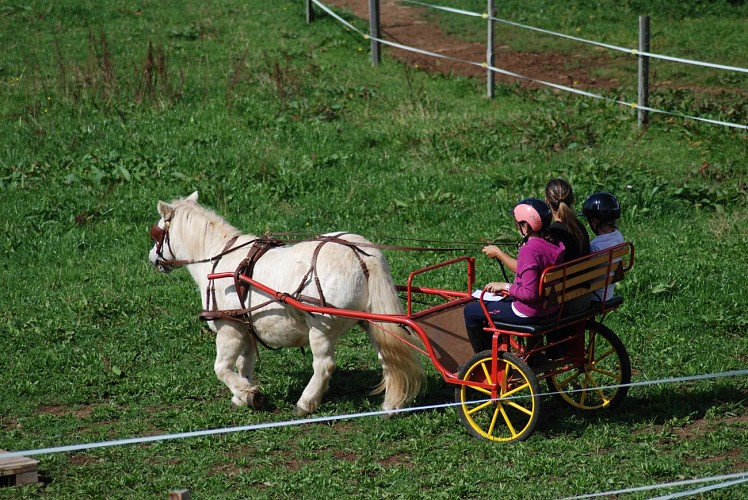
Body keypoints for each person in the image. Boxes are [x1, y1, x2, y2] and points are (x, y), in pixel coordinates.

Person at [464, 198, 565, 353]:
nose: (517, 227)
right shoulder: (555, 245)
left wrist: (504, 286)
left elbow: (529, 293)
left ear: (526, 226)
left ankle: (486, 359)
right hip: (550, 309)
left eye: (518, 224)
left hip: (528, 312)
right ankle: (534, 355)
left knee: (471, 311)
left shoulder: (529, 250)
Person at [581, 192, 624, 302]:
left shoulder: (596, 246)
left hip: (594, 296)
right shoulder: (619, 237)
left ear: (595, 220)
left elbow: (586, 275)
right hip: (608, 293)